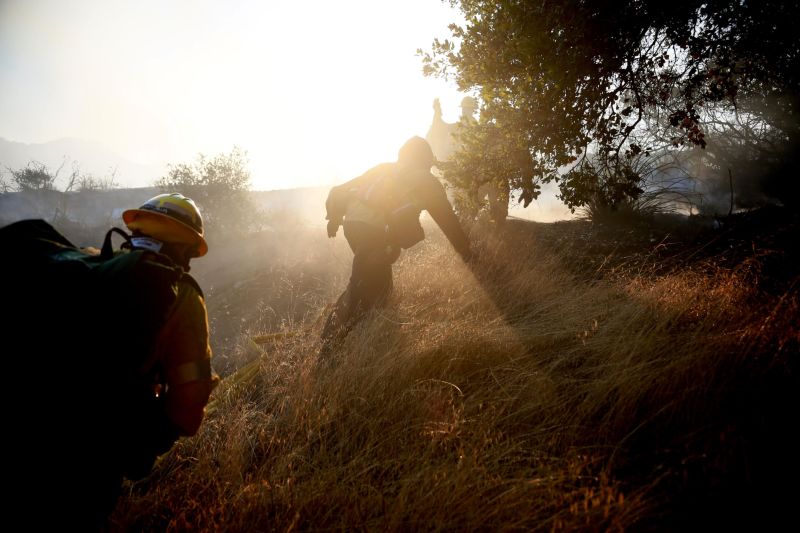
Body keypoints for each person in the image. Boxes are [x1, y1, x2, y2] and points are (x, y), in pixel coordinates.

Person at [2, 192, 219, 530]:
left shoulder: (89, 265)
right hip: (89, 461)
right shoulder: (180, 293)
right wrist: (149, 435)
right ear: (187, 247)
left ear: (136, 231)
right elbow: (188, 409)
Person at [320, 136, 472, 356]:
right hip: (376, 233)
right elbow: (448, 221)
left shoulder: (385, 168)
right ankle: (328, 350)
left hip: (353, 227)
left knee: (379, 288)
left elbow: (340, 190)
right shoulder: (426, 180)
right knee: (360, 287)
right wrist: (466, 252)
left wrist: (334, 219)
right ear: (424, 159)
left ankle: (378, 340)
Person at [425, 96, 511, 223]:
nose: (465, 111)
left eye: (467, 109)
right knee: (466, 203)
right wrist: (437, 113)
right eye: (464, 109)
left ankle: (483, 223)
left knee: (472, 202)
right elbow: (440, 127)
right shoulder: (459, 126)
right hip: (464, 167)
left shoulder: (476, 127)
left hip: (472, 169)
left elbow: (441, 128)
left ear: (472, 110)